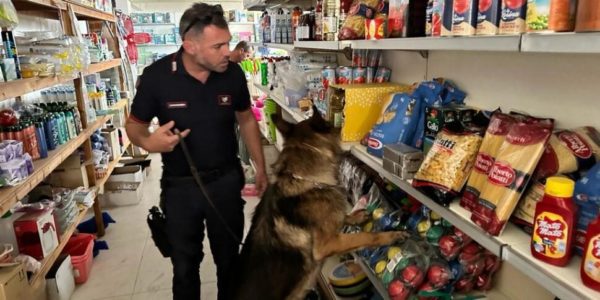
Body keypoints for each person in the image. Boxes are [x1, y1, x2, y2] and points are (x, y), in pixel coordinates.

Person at [125, 3, 268, 300]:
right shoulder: (157, 77)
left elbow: (246, 119)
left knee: (230, 263)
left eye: (228, 43)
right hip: (180, 187)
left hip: (227, 182)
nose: (227, 52)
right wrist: (150, 142)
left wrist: (261, 166)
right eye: (218, 46)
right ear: (190, 46)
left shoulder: (233, 75)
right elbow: (134, 126)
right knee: (185, 266)